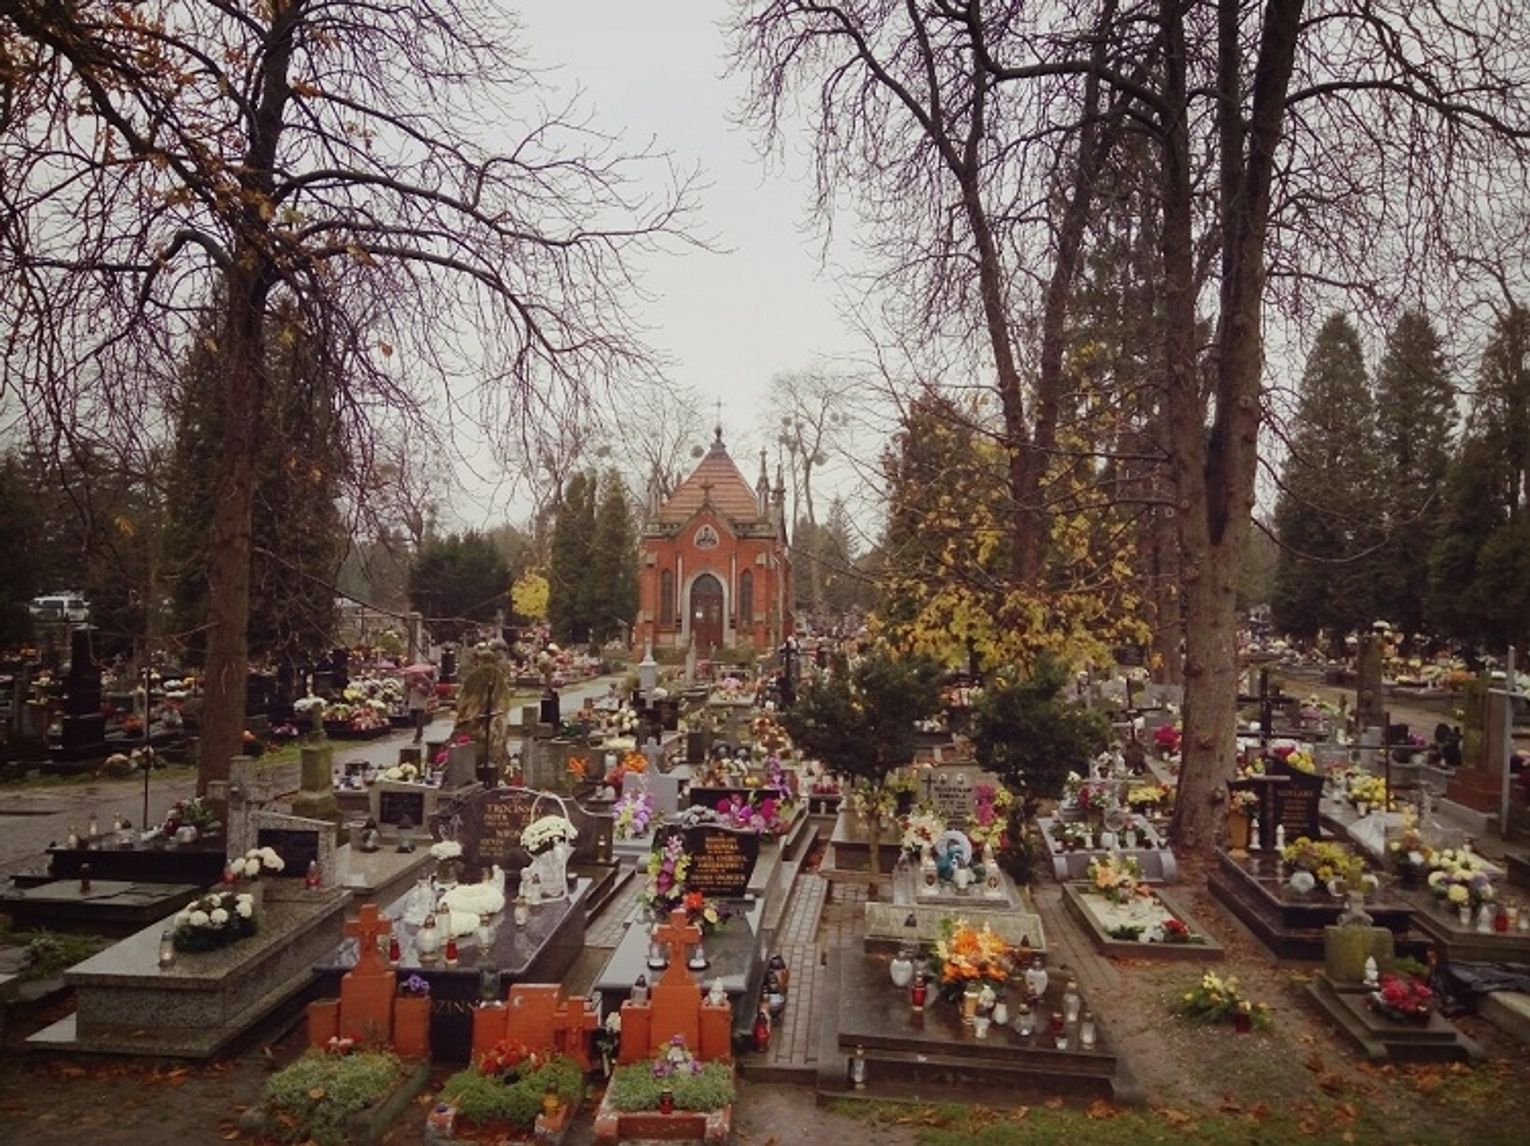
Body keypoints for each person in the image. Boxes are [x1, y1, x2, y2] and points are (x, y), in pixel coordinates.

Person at [407, 669, 433, 743]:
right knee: (412, 719)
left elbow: (427, 692)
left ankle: (418, 736)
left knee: (419, 722)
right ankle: (418, 733)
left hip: (421, 704)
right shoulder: (412, 681)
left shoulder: (426, 682)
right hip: (413, 703)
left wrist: (420, 688)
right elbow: (408, 690)